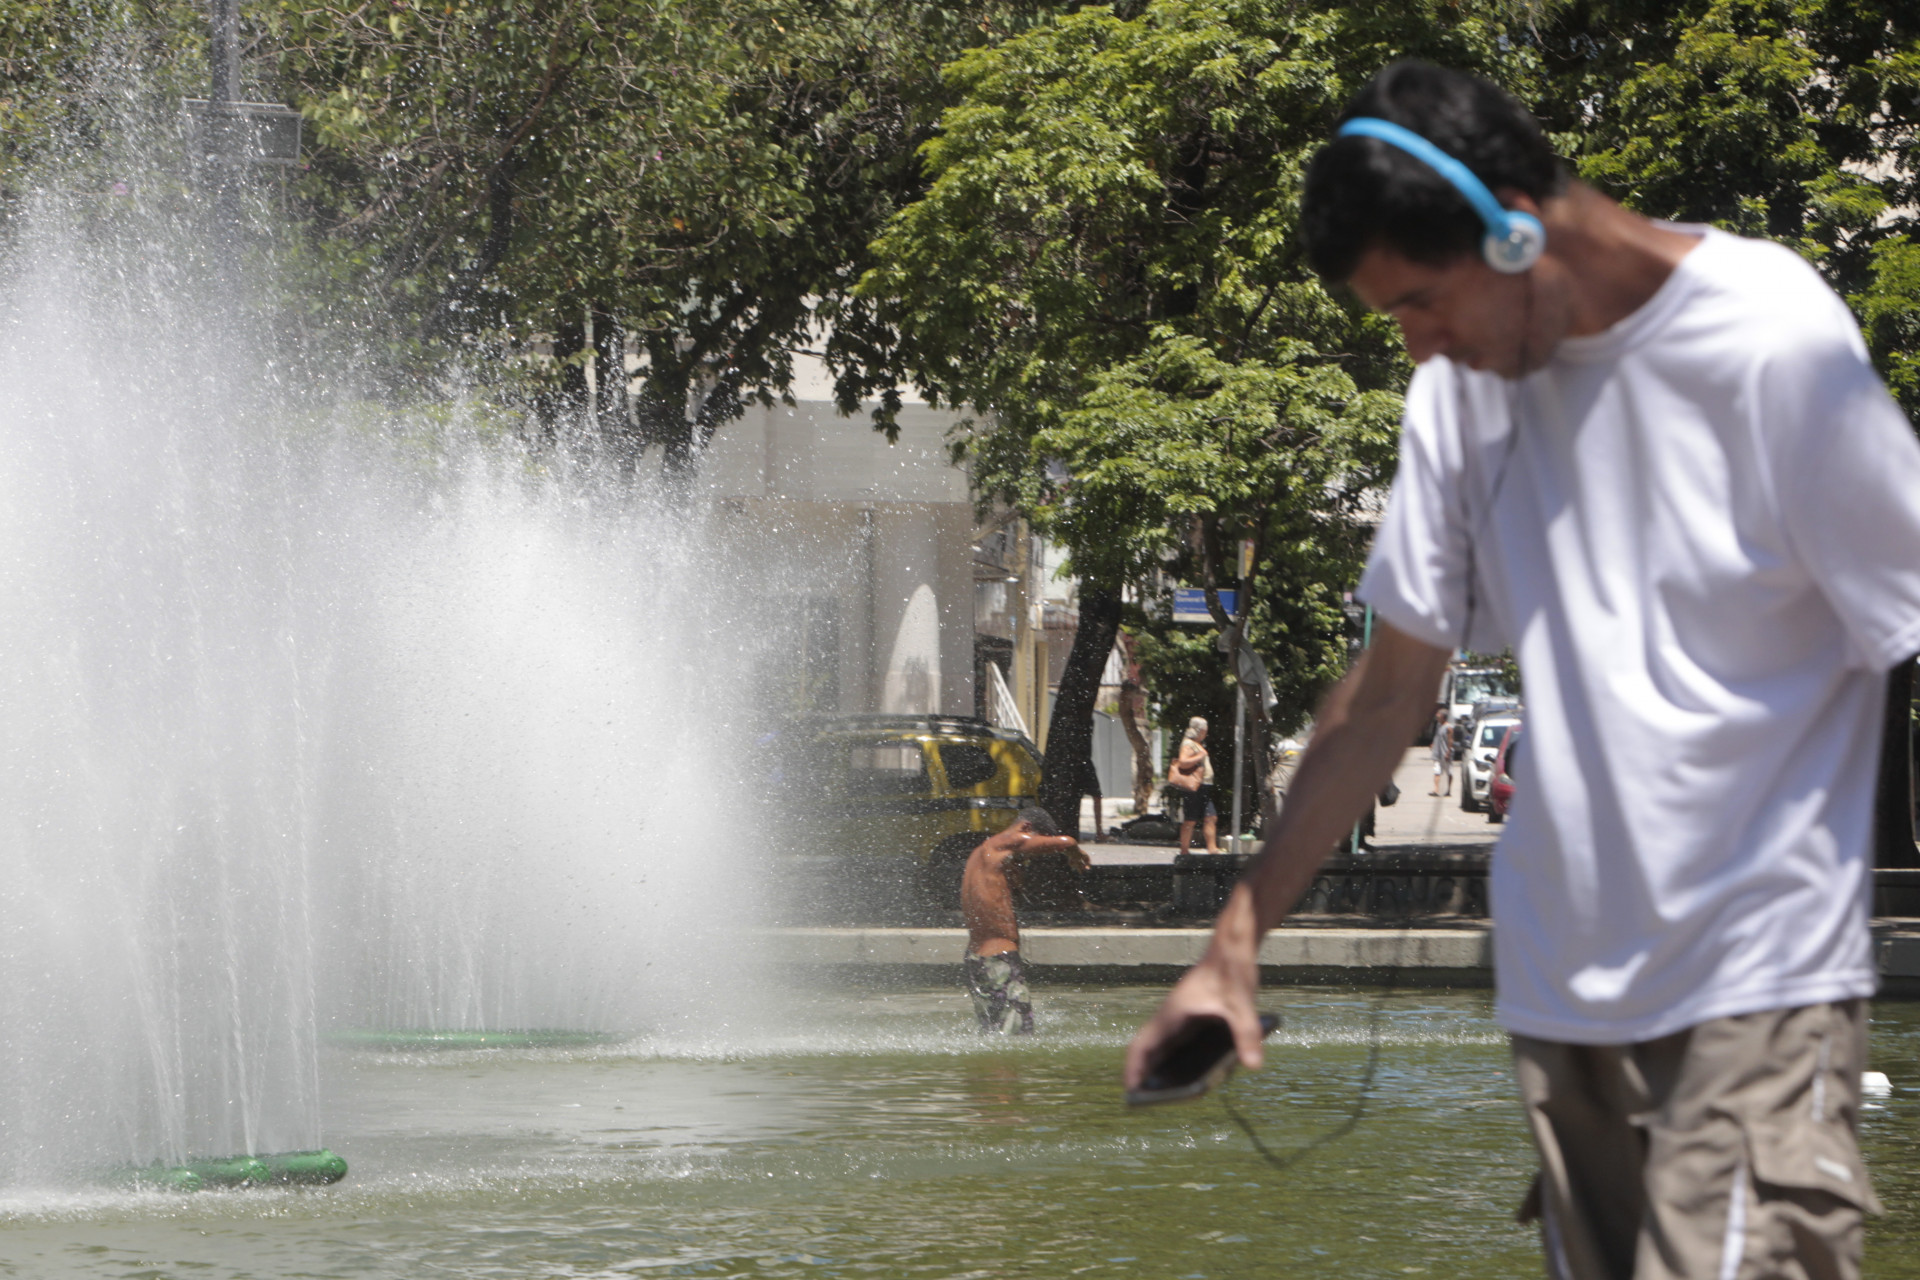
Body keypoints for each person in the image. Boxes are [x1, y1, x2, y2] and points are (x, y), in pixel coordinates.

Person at [1125, 59, 1920, 1280]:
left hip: (1756, 984)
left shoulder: (1771, 338)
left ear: (1512, 226)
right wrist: (1234, 941)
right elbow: (1387, 696)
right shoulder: (1459, 397)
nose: (1417, 342)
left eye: (1421, 301)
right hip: (1560, 1004)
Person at [960, 807, 1091, 1033]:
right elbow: (1067, 841)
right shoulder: (1007, 840)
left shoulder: (981, 854)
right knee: (1019, 1035)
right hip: (999, 960)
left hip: (977, 960)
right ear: (1027, 827)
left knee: (994, 1033)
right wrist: (1075, 853)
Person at [1169, 716, 1222, 855]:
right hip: (1195, 786)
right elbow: (1183, 762)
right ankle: (1184, 850)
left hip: (1204, 785)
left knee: (1210, 817)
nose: (1206, 734)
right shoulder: (1189, 744)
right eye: (1204, 731)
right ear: (1199, 731)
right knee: (1191, 819)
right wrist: (1200, 755)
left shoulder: (1197, 744)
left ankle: (1212, 849)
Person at [1428, 707, 1452, 796]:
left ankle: (1448, 790)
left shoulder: (1448, 728)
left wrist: (1448, 752)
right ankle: (1436, 790)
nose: (1437, 716)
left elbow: (1450, 741)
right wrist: (1433, 743)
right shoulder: (1438, 725)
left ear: (1443, 717)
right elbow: (1437, 736)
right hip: (1437, 753)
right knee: (1437, 771)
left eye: (1439, 714)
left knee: (1448, 772)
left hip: (1445, 753)